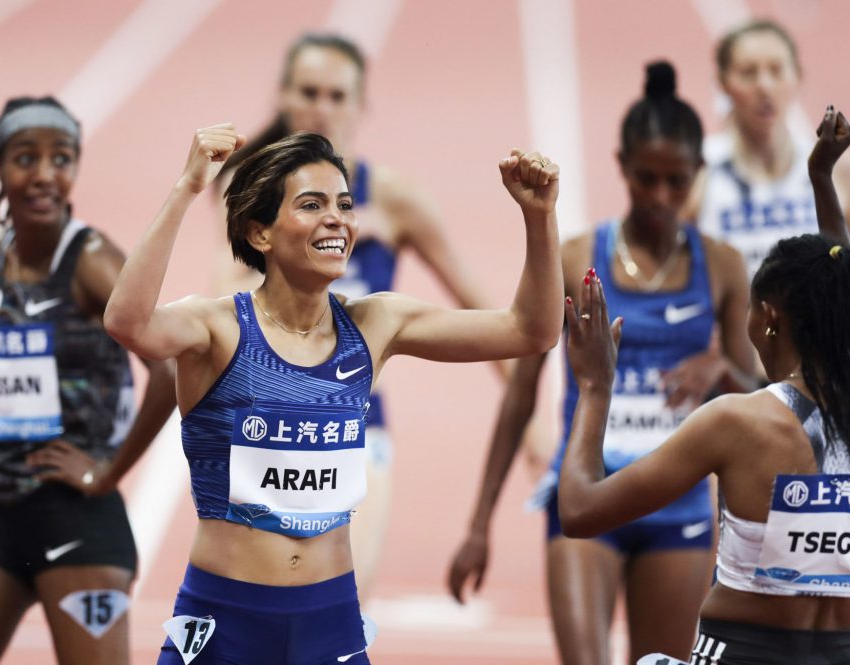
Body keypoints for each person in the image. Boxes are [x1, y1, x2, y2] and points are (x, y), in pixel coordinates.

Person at [103, 125, 564, 664]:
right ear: (260, 234)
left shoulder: (375, 324)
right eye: (312, 204)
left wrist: (539, 218)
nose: (337, 219)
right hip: (225, 622)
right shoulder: (217, 328)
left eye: (345, 204)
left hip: (332, 624)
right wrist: (186, 187)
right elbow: (127, 322)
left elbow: (531, 331)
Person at [448, 62, 757, 665]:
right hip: (586, 493)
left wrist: (721, 371)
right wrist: (480, 522)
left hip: (680, 506)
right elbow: (521, 392)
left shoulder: (721, 267)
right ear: (621, 166)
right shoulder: (574, 258)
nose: (661, 197)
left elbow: (758, 397)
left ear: (698, 175)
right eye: (646, 179)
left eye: (676, 181)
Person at [559, 108, 850, 664]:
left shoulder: (739, 422)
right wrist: (822, 180)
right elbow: (843, 285)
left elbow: (581, 509)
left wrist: (594, 387)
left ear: (769, 316)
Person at [210, 33, 497, 596]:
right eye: (309, 91)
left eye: (338, 95)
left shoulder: (395, 198)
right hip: (261, 421)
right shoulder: (248, 191)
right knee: (259, 609)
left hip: (356, 422)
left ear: (360, 105)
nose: (322, 107)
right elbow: (226, 300)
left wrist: (537, 434)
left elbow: (483, 308)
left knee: (342, 598)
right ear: (284, 96)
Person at [0, 96, 177, 665]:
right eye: (24, 158)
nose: (43, 176)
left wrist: (108, 471)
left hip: (80, 522)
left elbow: (169, 366)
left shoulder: (92, 261)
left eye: (61, 159)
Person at [690, 19, 850, 277]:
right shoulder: (697, 171)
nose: (764, 86)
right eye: (748, 72)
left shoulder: (841, 169)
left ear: (797, 76)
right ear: (722, 82)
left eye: (777, 70)